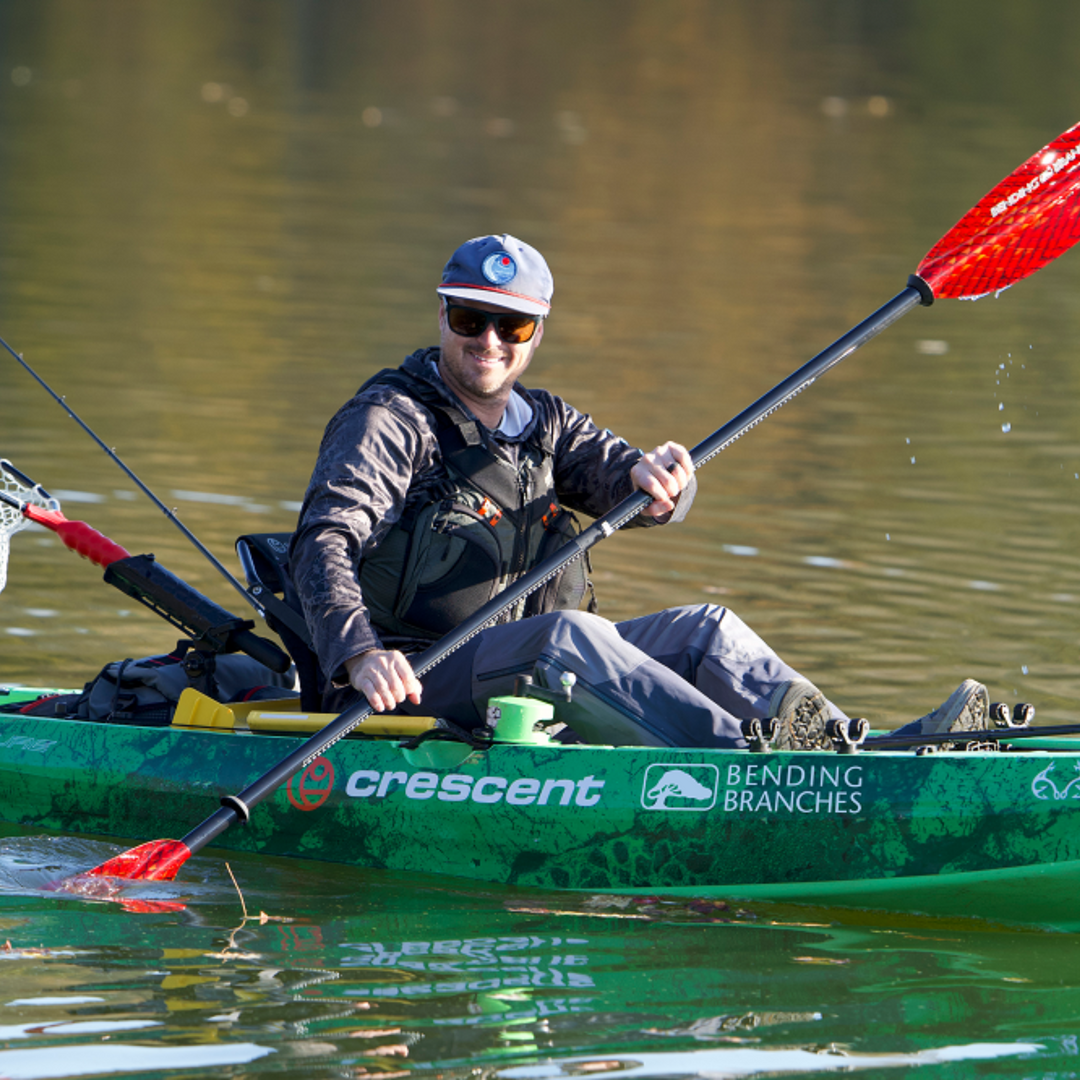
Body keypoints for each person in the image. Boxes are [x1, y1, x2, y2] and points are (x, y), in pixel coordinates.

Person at [289, 234, 991, 750]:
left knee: (706, 629)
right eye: (472, 319)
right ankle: (762, 767)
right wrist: (359, 654)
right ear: (443, 316)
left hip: (520, 666)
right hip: (409, 678)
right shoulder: (390, 419)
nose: (490, 341)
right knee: (569, 639)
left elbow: (628, 479)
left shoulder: (547, 423)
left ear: (537, 333)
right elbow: (323, 541)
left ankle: (855, 751)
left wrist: (662, 483)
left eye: (513, 325)